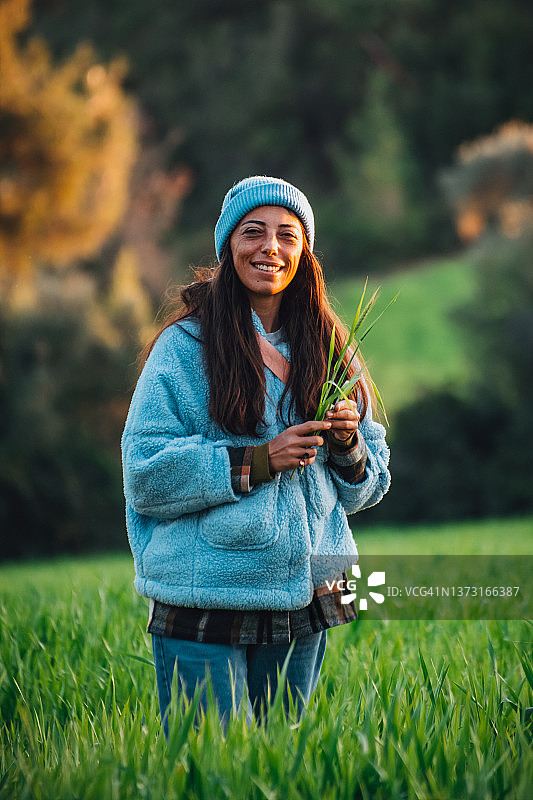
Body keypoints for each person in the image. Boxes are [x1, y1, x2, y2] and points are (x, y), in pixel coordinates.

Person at [121, 175, 390, 735]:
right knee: (209, 763)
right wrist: (260, 459)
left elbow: (370, 487)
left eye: (288, 235)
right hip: (205, 596)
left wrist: (348, 445)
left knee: (280, 766)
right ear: (228, 246)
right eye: (253, 232)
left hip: (309, 596)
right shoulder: (183, 348)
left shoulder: (332, 346)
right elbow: (146, 474)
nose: (271, 247)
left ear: (304, 252)